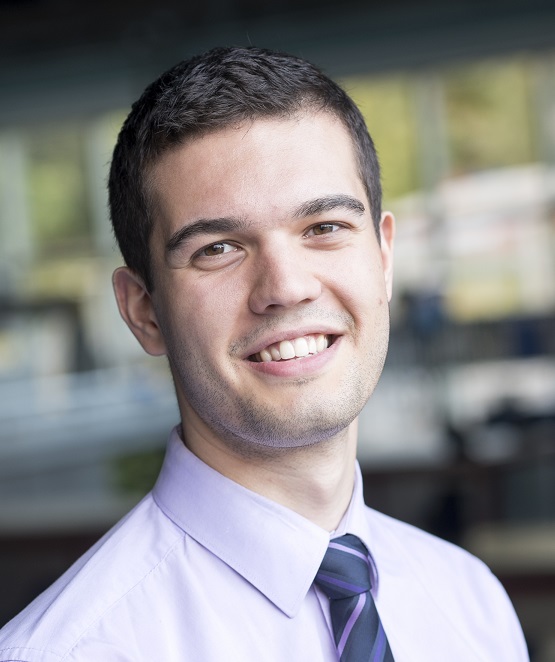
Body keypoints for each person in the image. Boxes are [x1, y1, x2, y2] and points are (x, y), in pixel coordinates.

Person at [0, 46, 528, 661]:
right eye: (218, 248)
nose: (286, 286)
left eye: (324, 228)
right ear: (144, 310)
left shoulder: (472, 605)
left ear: (384, 258)